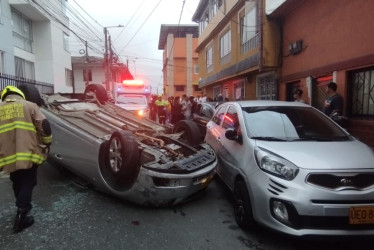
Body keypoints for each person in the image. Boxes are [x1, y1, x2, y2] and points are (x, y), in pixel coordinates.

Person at [0, 85, 52, 234]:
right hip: (29, 153)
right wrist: (47, 142)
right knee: (28, 182)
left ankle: (20, 206)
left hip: (8, 156)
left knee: (17, 181)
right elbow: (44, 125)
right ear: (19, 94)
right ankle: (22, 215)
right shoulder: (30, 105)